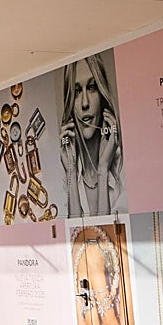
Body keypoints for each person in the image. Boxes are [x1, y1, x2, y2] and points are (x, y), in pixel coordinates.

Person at [61, 53, 126, 216]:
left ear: (102, 95)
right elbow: (73, 238)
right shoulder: (66, 176)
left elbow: (106, 236)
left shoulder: (124, 170)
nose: (84, 103)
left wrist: (103, 168)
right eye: (76, 92)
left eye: (91, 87)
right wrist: (71, 170)